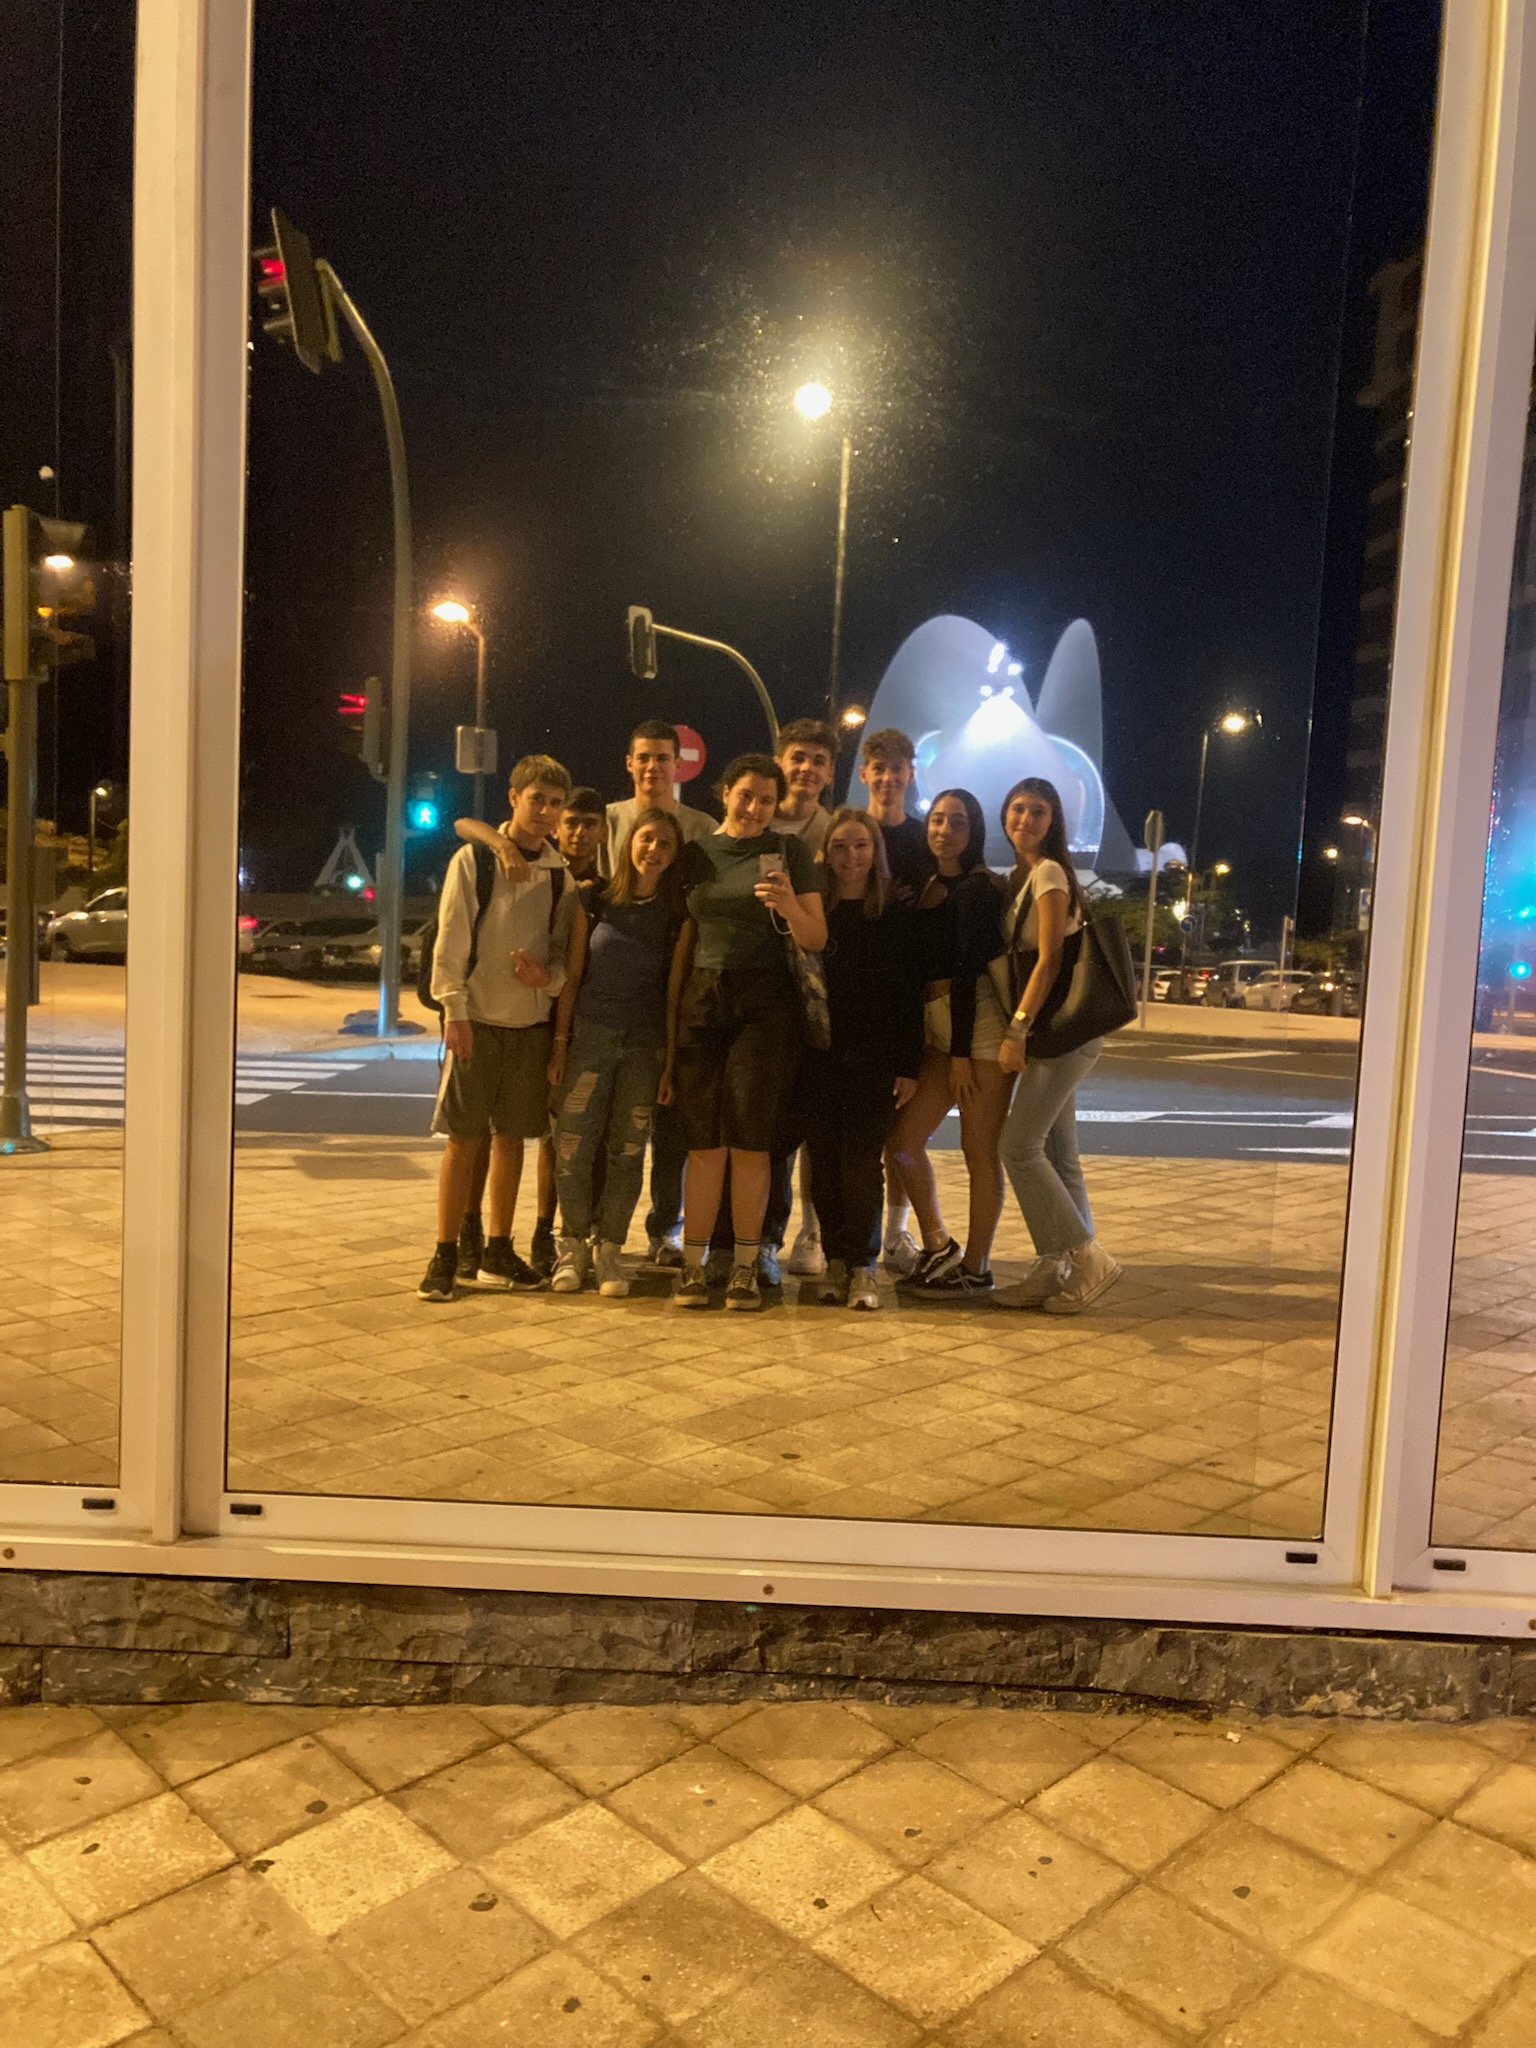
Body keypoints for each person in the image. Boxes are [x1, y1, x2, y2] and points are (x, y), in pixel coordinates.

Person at [661, 753, 826, 1312]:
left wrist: (788, 905)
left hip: (766, 1002)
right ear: (725, 792)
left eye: (766, 800)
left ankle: (745, 1268)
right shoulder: (696, 853)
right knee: (704, 1141)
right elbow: (680, 933)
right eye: (746, 795)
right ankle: (694, 1266)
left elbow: (816, 936)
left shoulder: (788, 852)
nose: (755, 808)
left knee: (752, 1141)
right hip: (703, 997)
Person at [418, 754, 578, 1301]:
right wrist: (454, 1010)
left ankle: (498, 1248)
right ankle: (444, 1254)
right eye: (537, 800)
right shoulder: (475, 861)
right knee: (464, 1139)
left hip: (529, 1025)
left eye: (555, 803)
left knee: (513, 1139)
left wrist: (547, 979)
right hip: (477, 1020)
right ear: (513, 797)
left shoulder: (559, 876)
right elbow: (451, 939)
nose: (546, 812)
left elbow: (561, 957)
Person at [450, 785, 609, 1279]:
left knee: (549, 1137)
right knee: (482, 1131)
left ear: (603, 832)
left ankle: (545, 1232)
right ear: (557, 826)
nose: (579, 832)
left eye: (589, 824)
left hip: (569, 1020)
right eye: (571, 822)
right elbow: (464, 824)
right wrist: (500, 843)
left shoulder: (600, 886)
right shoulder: (532, 865)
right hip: (516, 1014)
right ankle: (470, 1232)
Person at [546, 808, 687, 1296]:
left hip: (644, 1047)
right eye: (647, 839)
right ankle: (572, 1247)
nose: (654, 850)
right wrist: (560, 1044)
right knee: (572, 1144)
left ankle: (610, 1250)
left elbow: (673, 995)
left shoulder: (676, 916)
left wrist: (669, 1063)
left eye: (666, 844)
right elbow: (573, 977)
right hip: (590, 1037)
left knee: (628, 1150)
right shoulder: (594, 901)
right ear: (629, 842)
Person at [993, 776, 1121, 1313]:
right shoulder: (1026, 876)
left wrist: (1016, 1030)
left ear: (1054, 822)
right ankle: (1056, 1265)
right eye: (1017, 808)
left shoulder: (1048, 873)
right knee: (1059, 1156)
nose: (1025, 819)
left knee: (1018, 1148)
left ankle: (1089, 1258)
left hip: (1058, 1034)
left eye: (1038, 811)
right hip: (1063, 1033)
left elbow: (1047, 961)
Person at [600, 720, 717, 1268]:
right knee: (606, 1126)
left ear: (678, 764)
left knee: (671, 1127)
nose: (653, 767)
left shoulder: (701, 827)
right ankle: (596, 1232)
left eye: (662, 758)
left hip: (680, 982)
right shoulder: (606, 820)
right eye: (643, 757)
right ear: (629, 763)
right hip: (614, 989)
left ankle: (665, 1228)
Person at [888, 787, 1013, 1300]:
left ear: (974, 830)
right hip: (939, 1027)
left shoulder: (977, 889)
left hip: (977, 1030)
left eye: (957, 822)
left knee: (978, 1150)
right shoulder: (929, 884)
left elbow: (966, 974)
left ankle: (977, 1266)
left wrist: (960, 1055)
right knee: (902, 1143)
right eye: (937, 820)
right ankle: (938, 1244)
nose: (944, 830)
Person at [801, 809, 924, 1310]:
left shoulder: (895, 914)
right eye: (839, 846)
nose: (850, 856)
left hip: (875, 1058)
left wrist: (908, 1066)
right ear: (825, 853)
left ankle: (863, 1266)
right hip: (819, 1055)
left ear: (876, 852)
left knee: (861, 1162)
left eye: (861, 845)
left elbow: (909, 996)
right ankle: (834, 1260)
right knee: (824, 1161)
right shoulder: (814, 912)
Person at [855, 726, 930, 1273]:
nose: (887, 778)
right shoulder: (847, 831)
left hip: (908, 995)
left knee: (899, 1130)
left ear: (910, 773)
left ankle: (896, 1233)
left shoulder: (925, 840)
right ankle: (814, 1230)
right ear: (864, 774)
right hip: (853, 993)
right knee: (838, 1127)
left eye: (896, 768)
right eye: (878, 768)